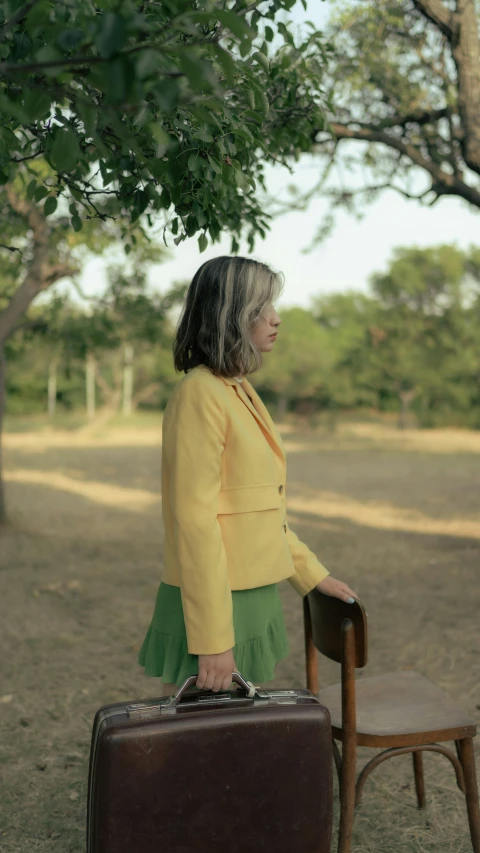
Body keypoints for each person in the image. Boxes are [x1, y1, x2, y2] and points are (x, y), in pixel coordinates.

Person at [138, 256, 357, 696]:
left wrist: (311, 574)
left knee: (229, 742)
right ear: (229, 316)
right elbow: (195, 524)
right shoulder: (199, 394)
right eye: (261, 308)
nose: (276, 319)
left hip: (251, 589)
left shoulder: (236, 388)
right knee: (201, 745)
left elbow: (260, 508)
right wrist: (213, 639)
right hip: (215, 601)